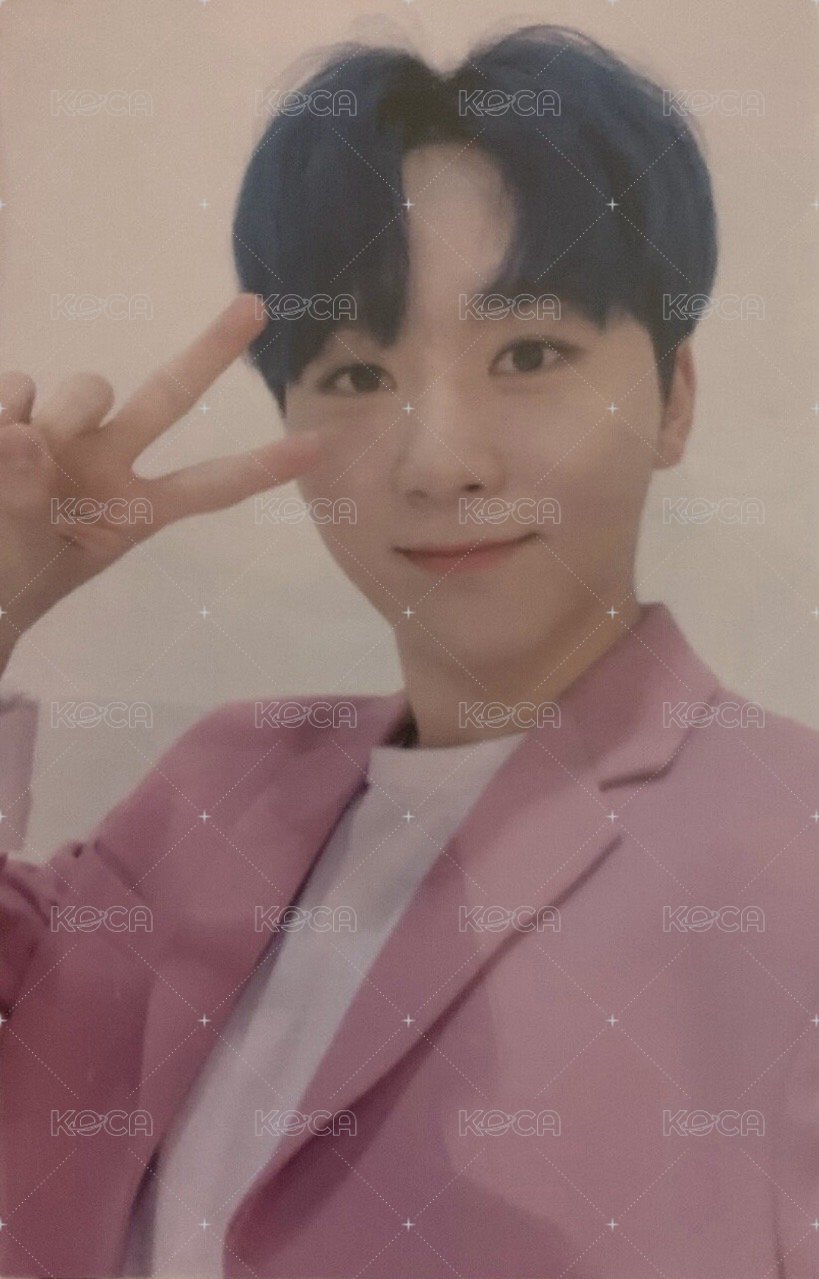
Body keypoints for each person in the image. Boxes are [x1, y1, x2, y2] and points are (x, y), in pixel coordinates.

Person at [1, 23, 817, 1279]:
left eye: (529, 354)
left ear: (675, 398)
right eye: (355, 373)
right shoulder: (219, 786)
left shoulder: (788, 850)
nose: (440, 461)